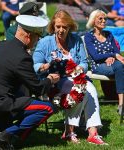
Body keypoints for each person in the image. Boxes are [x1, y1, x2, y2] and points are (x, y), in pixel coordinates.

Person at [0, 15, 60, 149]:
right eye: (38, 36)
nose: (37, 40)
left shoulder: (1, 45)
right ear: (28, 36)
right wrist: (50, 79)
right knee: (47, 108)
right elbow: (38, 88)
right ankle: (4, 137)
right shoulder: (22, 56)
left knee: (19, 96)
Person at [33, 10, 108, 145]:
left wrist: (80, 68)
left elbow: (85, 62)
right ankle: (70, 130)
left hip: (77, 79)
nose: (61, 30)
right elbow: (35, 65)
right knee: (81, 89)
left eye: (64, 27)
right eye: (58, 27)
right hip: (55, 81)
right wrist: (46, 66)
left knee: (90, 88)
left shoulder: (76, 40)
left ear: (70, 27)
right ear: (53, 27)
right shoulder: (45, 42)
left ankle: (92, 132)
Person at [84, 9, 124, 115]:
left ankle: (121, 102)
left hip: (113, 63)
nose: (103, 21)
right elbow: (95, 56)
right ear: (93, 21)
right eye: (100, 18)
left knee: (120, 65)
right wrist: (111, 55)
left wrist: (113, 56)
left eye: (105, 19)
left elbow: (116, 50)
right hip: (98, 65)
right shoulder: (89, 36)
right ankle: (121, 103)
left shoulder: (108, 34)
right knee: (120, 66)